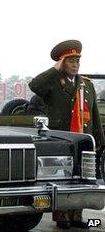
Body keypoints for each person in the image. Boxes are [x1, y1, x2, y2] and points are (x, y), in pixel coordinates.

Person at [29, 39, 105, 229]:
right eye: (71, 61)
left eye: (77, 61)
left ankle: (77, 215)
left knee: (82, 176)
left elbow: (94, 113)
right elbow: (34, 85)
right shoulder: (53, 83)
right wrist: (55, 69)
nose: (75, 65)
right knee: (63, 178)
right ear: (62, 63)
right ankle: (62, 216)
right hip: (63, 140)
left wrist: (99, 138)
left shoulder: (86, 85)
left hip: (82, 138)